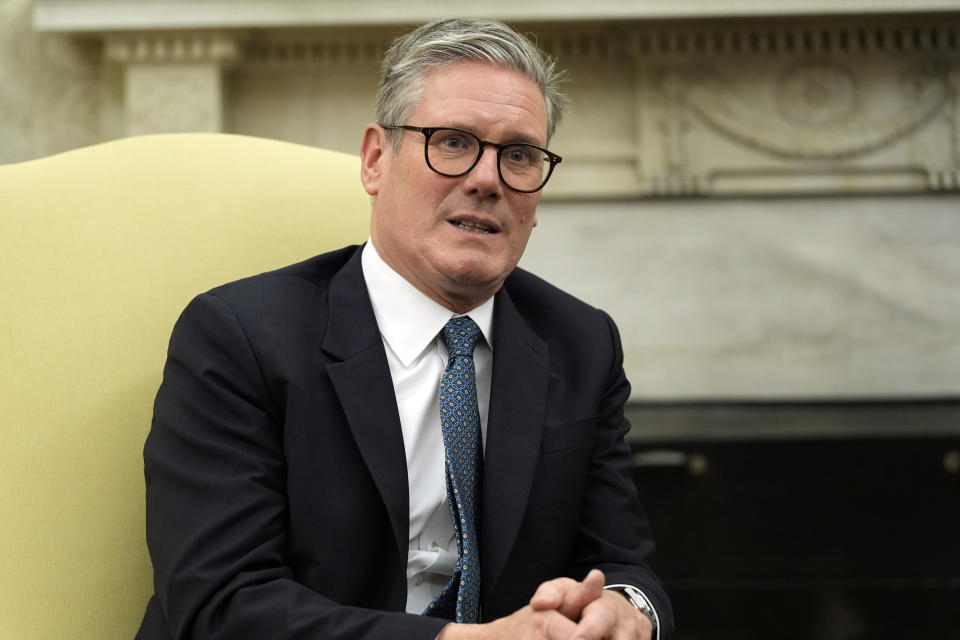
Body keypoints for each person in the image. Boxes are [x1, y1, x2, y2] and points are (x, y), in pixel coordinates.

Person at [135, 17, 673, 640]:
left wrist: (628, 611)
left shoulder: (581, 342)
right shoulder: (238, 338)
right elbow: (220, 603)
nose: (487, 180)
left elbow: (625, 563)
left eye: (520, 156)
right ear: (374, 160)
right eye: (452, 142)